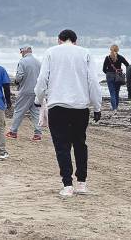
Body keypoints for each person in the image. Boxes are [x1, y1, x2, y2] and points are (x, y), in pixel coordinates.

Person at [34, 29, 102, 197]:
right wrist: (97, 106)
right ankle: (82, 184)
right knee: (80, 144)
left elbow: (42, 79)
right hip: (80, 106)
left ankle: (67, 185)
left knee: (62, 146)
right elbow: (93, 81)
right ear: (75, 41)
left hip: (58, 105)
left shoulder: (51, 52)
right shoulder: (85, 53)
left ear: (59, 40)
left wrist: (38, 98)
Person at [6, 46, 42, 141]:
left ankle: (13, 132)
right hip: (36, 91)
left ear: (24, 52)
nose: (21, 53)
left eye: (21, 52)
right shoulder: (38, 62)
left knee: (19, 111)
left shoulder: (22, 61)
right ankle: (38, 134)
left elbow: (19, 76)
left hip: (25, 90)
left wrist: (16, 81)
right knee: (36, 113)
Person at [102, 45, 129, 114]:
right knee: (117, 93)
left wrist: (108, 73)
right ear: (117, 50)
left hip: (109, 76)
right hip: (118, 76)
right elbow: (127, 65)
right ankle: (116, 108)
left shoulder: (107, 58)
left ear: (110, 49)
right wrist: (124, 73)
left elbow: (104, 69)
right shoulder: (120, 57)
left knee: (112, 93)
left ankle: (114, 109)